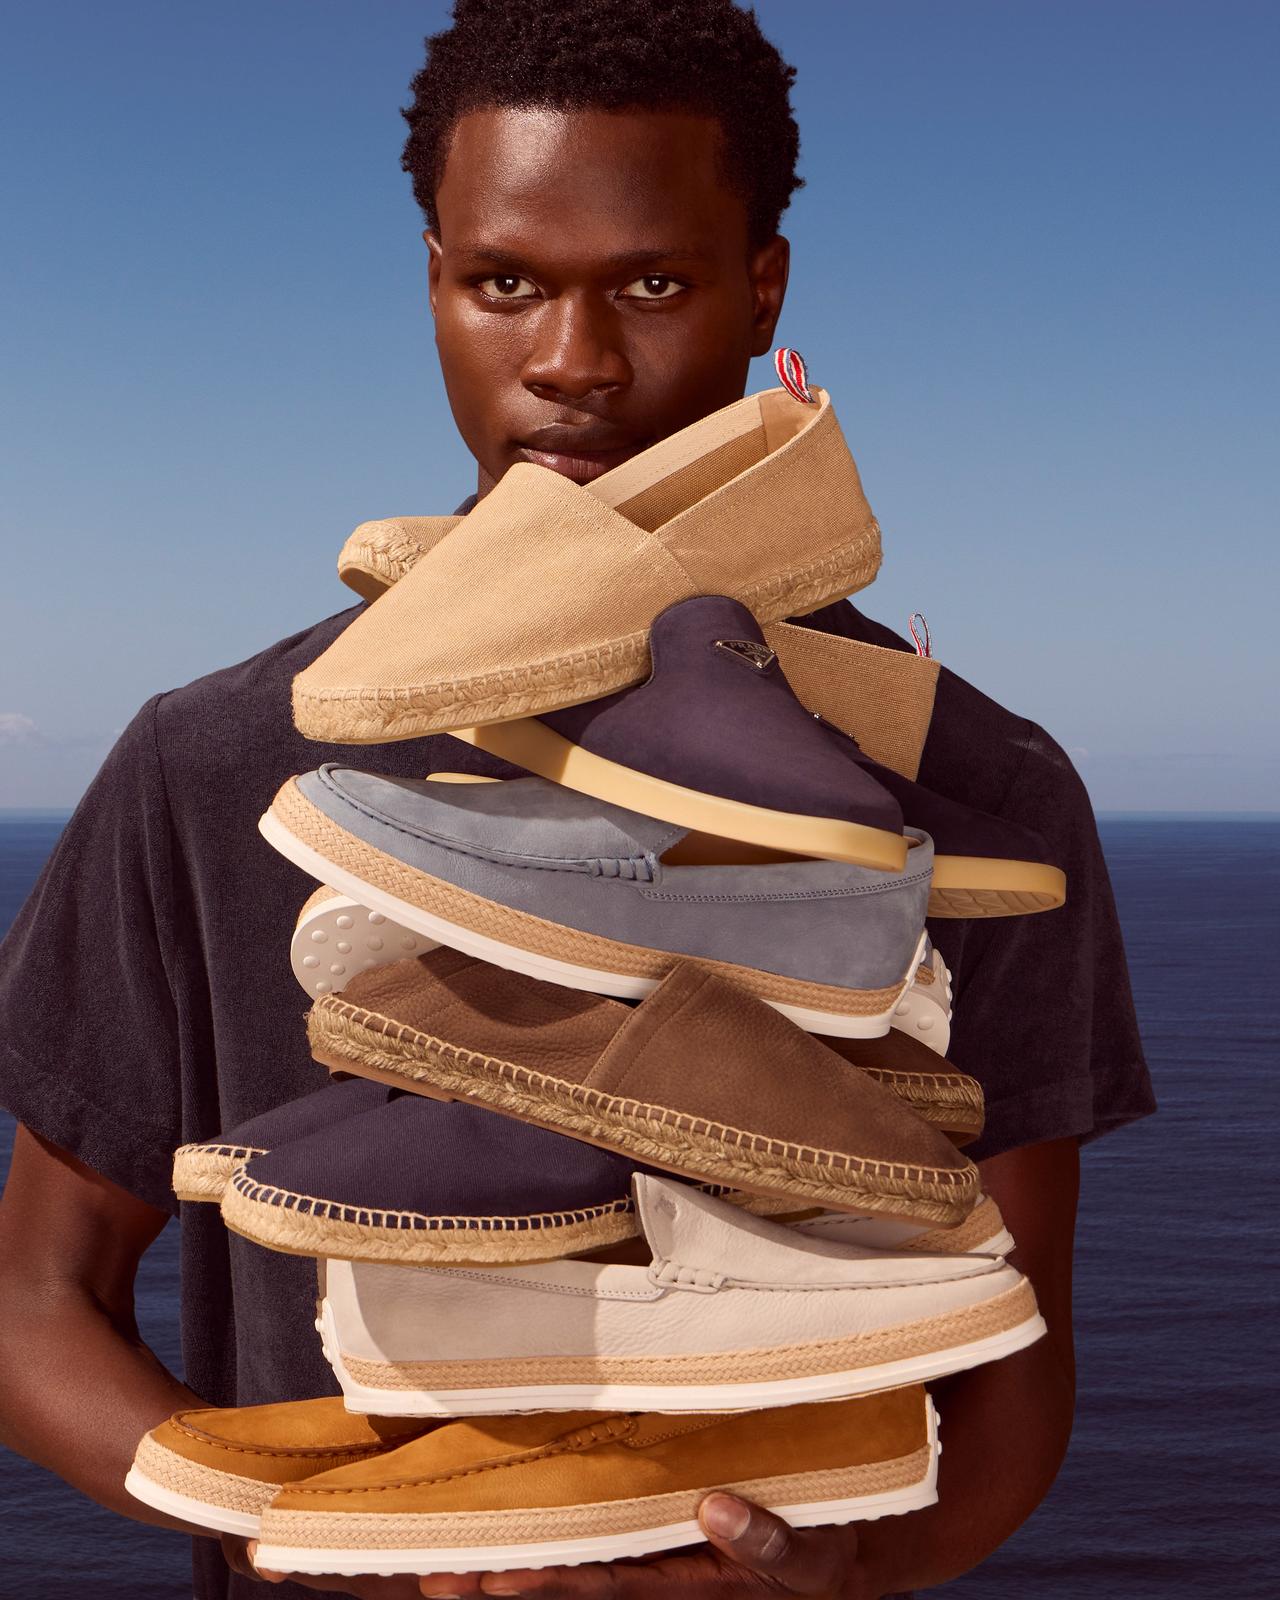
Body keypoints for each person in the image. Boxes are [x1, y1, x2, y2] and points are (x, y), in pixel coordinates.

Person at [0, 3, 1154, 1597]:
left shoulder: (979, 783)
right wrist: (316, 1523)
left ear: (766, 291)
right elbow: (37, 1302)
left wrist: (833, 1574)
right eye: (506, 283)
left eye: (656, 285)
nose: (572, 362)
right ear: (433, 282)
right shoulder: (210, 761)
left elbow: (1013, 1351)